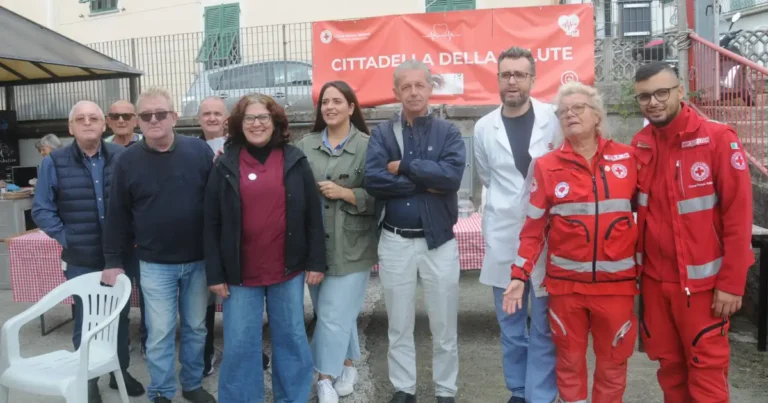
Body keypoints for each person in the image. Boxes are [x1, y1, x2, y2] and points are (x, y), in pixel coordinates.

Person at [503, 82, 639, 403]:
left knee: (613, 364)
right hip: (566, 289)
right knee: (569, 363)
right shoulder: (547, 166)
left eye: (578, 108)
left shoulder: (629, 158)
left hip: (617, 287)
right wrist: (519, 275)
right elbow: (533, 229)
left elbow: (649, 218)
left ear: (597, 115)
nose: (570, 115)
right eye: (563, 112)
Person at [632, 62, 754, 402]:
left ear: (680, 91)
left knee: (706, 372)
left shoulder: (718, 139)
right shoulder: (640, 144)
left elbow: (739, 217)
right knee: (669, 369)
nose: (654, 102)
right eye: (644, 96)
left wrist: (732, 283)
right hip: (655, 283)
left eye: (662, 92)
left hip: (702, 288)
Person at [204, 94, 325, 403]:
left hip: (287, 270)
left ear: (275, 122)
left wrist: (316, 261)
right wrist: (215, 273)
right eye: (249, 118)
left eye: (263, 117)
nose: (256, 124)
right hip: (240, 274)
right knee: (240, 344)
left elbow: (313, 215)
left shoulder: (294, 159)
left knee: (291, 338)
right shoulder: (224, 163)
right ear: (239, 124)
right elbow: (211, 222)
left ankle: (293, 398)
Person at [103, 87, 216, 403]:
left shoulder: (199, 152)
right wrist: (112, 259)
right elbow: (117, 214)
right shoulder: (127, 161)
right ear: (138, 121)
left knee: (196, 328)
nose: (154, 120)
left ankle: (191, 384)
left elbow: (217, 205)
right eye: (146, 115)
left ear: (174, 117)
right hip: (154, 264)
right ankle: (162, 391)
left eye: (160, 114)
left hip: (198, 261)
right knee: (160, 333)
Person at [364, 59, 466, 403]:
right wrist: (424, 182)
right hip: (395, 240)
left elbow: (451, 178)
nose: (413, 92)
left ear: (430, 88)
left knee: (444, 324)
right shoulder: (381, 133)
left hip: (439, 242)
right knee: (399, 322)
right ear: (396, 92)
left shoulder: (448, 132)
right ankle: (404, 388)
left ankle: (445, 390)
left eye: (419, 85)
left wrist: (405, 167)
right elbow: (374, 180)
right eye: (405, 86)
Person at [31, 101, 145, 403]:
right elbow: (42, 209)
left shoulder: (123, 157)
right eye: (79, 119)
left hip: (120, 256)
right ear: (70, 128)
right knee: (86, 320)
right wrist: (68, 238)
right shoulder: (54, 162)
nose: (87, 123)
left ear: (103, 125)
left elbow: (138, 200)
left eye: (93, 118)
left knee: (119, 317)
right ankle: (88, 378)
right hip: (81, 258)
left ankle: (119, 371)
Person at [473, 46, 559, 403]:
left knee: (544, 326)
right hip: (505, 238)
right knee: (511, 327)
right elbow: (487, 176)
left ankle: (542, 394)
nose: (512, 81)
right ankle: (519, 391)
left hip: (548, 240)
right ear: (497, 79)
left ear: (532, 79)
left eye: (520, 74)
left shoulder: (554, 118)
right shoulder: (483, 127)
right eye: (506, 74)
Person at [296, 81, 377, 403]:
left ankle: (324, 378)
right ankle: (347, 364)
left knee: (331, 316)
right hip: (315, 247)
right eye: (325, 102)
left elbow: (382, 196)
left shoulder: (369, 146)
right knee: (334, 313)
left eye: (337, 101)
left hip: (353, 246)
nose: (329, 107)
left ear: (351, 107)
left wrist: (346, 193)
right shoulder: (305, 145)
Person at [105, 99, 147, 358]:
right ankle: (119, 344)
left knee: (149, 297)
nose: (121, 120)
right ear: (108, 121)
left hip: (145, 240)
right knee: (116, 297)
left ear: (136, 119)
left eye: (127, 116)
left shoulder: (148, 145)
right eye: (115, 116)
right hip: (116, 239)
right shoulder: (101, 149)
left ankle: (147, 340)